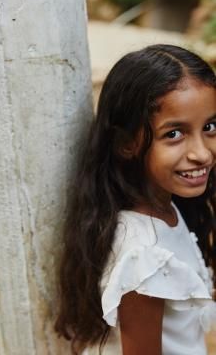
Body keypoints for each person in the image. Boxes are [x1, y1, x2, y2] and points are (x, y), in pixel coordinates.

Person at [54, 44, 216, 355]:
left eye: (209, 127)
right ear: (128, 143)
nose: (202, 153)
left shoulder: (164, 208)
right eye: (174, 134)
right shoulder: (144, 258)